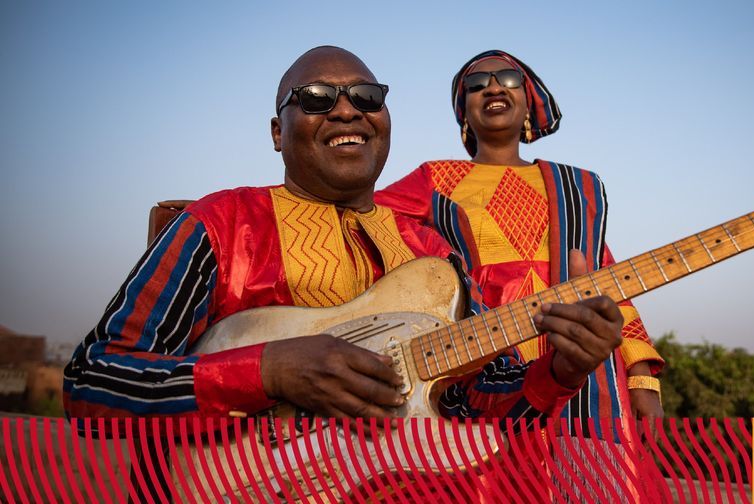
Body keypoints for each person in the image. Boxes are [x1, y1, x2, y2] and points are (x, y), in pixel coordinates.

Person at [62, 46, 624, 499]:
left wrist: (562, 369)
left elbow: (483, 405)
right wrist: (267, 372)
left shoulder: (432, 252)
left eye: (366, 96)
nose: (347, 109)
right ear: (278, 133)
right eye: (314, 97)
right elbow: (90, 383)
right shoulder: (220, 223)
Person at [375, 49, 667, 499]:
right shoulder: (436, 177)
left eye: (507, 78)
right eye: (477, 84)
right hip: (483, 367)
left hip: (587, 373)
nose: (493, 87)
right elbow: (369, 221)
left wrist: (642, 378)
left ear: (528, 102)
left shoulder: (576, 188)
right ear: (465, 114)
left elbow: (611, 287)